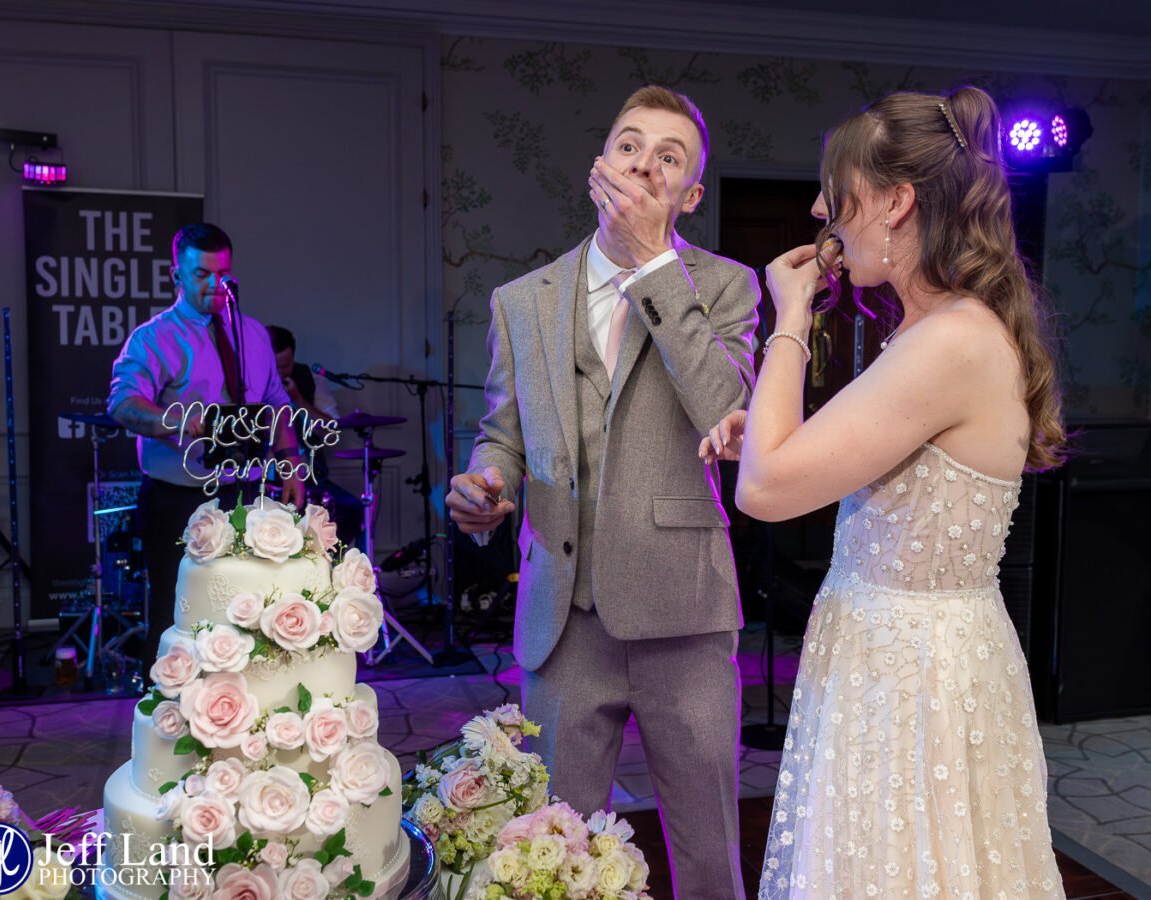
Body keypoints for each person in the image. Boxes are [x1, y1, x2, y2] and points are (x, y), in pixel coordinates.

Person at [702, 86, 1067, 897]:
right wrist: (770, 435)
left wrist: (789, 314)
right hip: (896, 659)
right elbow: (825, 459)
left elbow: (764, 490)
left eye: (838, 193)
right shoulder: (934, 332)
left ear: (897, 202)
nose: (819, 210)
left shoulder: (950, 341)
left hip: (914, 679)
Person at [447, 86, 759, 899]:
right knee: (553, 849)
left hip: (684, 612)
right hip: (564, 616)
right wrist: (488, 481)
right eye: (630, 145)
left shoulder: (728, 287)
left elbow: (726, 409)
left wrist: (654, 264)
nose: (644, 165)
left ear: (690, 194)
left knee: (708, 852)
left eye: (668, 157)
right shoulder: (522, 301)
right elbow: (503, 433)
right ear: (599, 165)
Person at [109, 224, 305, 680]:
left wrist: (292, 463)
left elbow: (276, 403)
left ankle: (241, 709)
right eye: (202, 275)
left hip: (246, 492)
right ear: (176, 275)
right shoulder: (153, 338)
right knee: (175, 614)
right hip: (179, 497)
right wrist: (177, 420)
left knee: (249, 610)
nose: (216, 285)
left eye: (223, 274)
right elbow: (123, 403)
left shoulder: (253, 334)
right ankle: (166, 711)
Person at [267, 324, 363, 548]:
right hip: (264, 479)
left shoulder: (308, 379)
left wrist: (298, 400)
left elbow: (330, 430)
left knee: (349, 511)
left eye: (286, 366)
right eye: (275, 367)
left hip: (308, 477)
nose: (281, 373)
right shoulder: (250, 383)